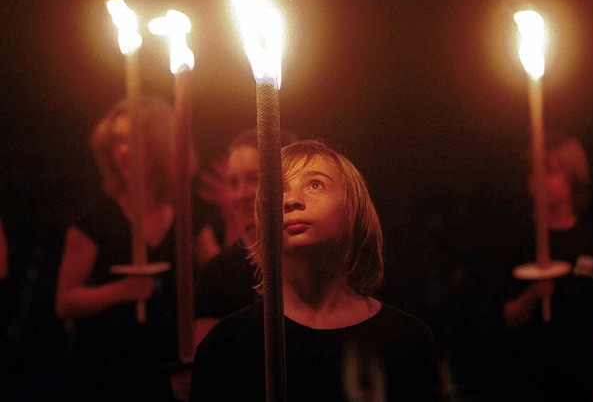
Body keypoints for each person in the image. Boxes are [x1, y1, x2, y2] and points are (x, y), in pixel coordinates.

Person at [190, 139, 447, 401]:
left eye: (315, 184)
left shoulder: (407, 342)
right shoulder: (226, 347)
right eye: (277, 190)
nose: (290, 200)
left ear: (352, 209)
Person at [54, 94, 221, 402]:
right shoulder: (95, 219)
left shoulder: (188, 213)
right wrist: (121, 291)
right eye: (116, 141)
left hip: (174, 367)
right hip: (108, 371)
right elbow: (65, 301)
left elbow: (220, 284)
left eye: (134, 141)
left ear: (161, 146)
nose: (123, 152)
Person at [501, 131, 593, 402]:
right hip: (533, 384)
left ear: (572, 177)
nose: (540, 181)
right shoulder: (519, 241)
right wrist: (533, 295)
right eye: (535, 172)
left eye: (551, 171)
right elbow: (508, 317)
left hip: (587, 382)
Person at [193, 126, 299, 343]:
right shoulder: (218, 273)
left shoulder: (313, 259)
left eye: (254, 179)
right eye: (233, 182)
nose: (241, 194)